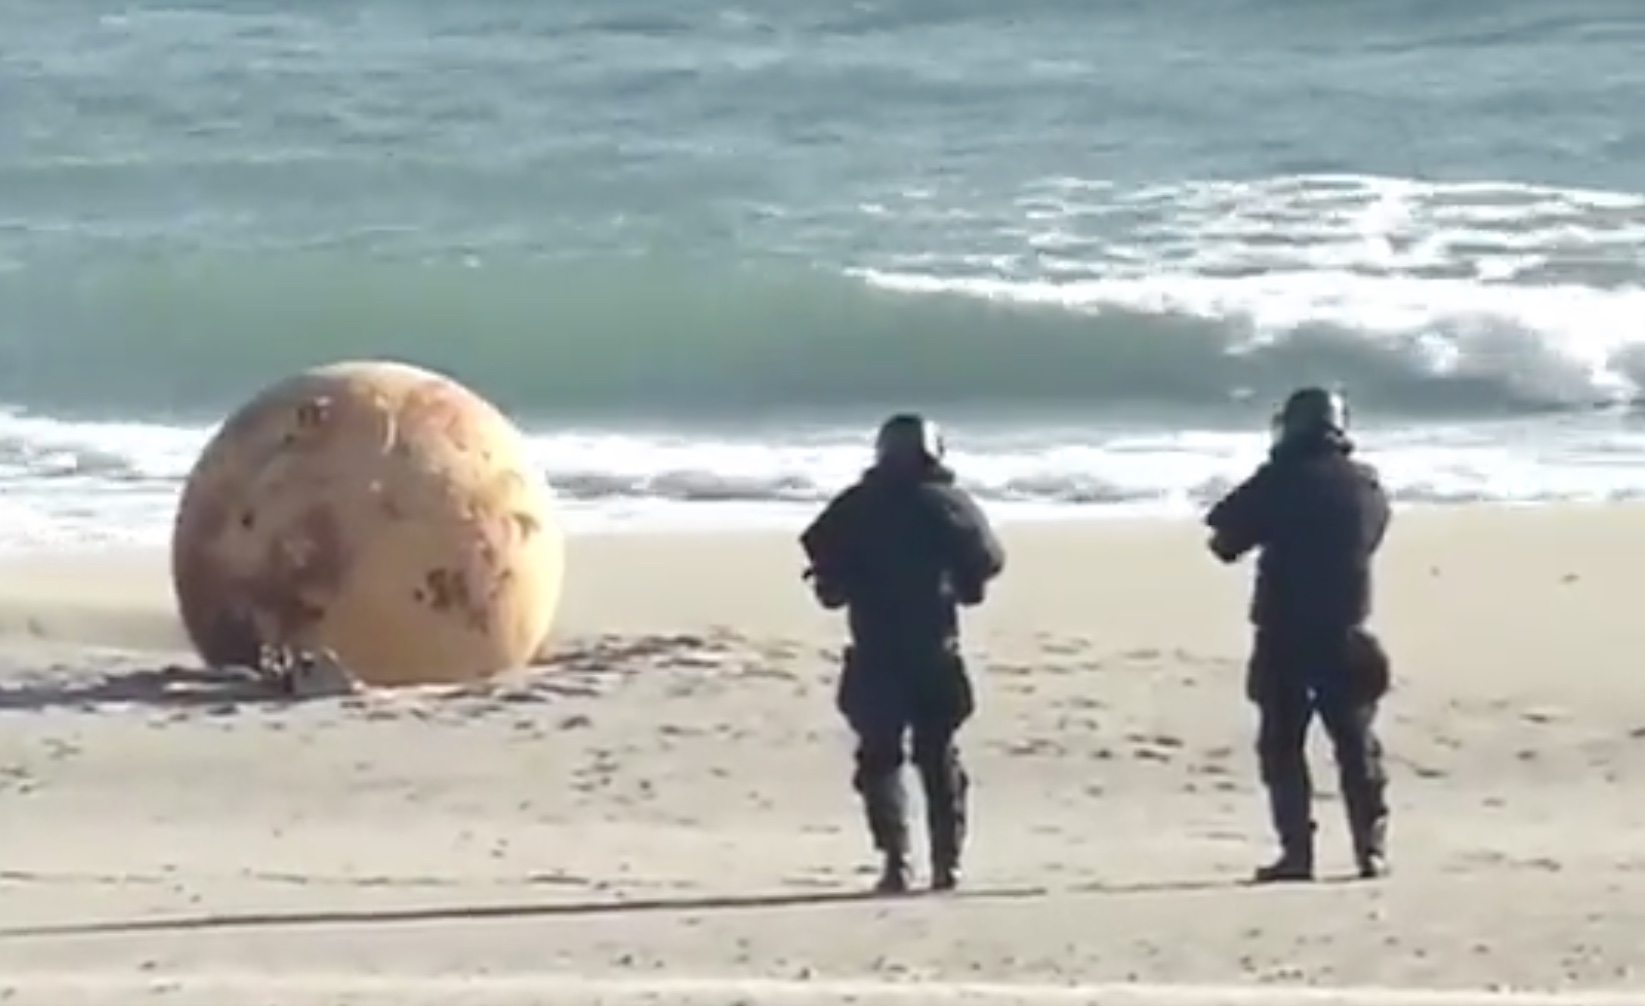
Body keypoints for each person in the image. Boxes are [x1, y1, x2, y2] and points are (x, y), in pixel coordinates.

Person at [799, 413, 1006, 894]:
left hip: (874, 651)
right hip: (934, 650)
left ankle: (896, 861)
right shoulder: (948, 504)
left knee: (879, 759)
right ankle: (946, 864)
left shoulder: (854, 506)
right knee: (938, 757)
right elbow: (987, 563)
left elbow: (823, 567)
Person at [1204, 386, 1393, 882]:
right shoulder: (1366, 485)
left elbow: (1224, 536)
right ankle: (1369, 849)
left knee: (1283, 745)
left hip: (1283, 633)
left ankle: (1297, 853)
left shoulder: (1281, 479)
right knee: (1356, 744)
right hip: (1347, 632)